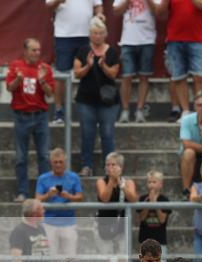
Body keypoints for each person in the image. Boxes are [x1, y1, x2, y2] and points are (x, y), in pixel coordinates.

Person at [6, 38, 56, 202]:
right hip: (21, 116)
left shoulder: (45, 68)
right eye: (33, 50)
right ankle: (23, 192)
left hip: (40, 116)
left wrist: (42, 80)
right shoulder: (16, 66)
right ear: (25, 51)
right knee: (21, 157)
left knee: (43, 155)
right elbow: (9, 88)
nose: (37, 53)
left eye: (38, 50)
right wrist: (19, 79)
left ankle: (43, 193)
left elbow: (50, 93)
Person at [73, 17, 121, 176]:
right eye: (95, 33)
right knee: (87, 134)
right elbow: (77, 73)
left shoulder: (112, 51)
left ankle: (111, 168)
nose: (98, 36)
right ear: (90, 35)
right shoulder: (83, 50)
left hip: (108, 102)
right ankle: (87, 166)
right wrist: (89, 65)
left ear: (105, 34)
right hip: (86, 100)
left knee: (107, 134)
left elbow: (114, 74)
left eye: (101, 33)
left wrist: (102, 66)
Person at [45, 0, 105, 124]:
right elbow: (48, 6)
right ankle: (59, 111)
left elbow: (98, 5)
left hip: (87, 34)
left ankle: (92, 110)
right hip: (64, 34)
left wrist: (99, 15)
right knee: (61, 74)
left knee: (91, 72)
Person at [160, 0, 202, 118]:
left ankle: (201, 110)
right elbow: (160, 13)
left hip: (196, 39)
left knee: (199, 76)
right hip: (174, 39)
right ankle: (186, 111)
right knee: (178, 77)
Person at [113, 0, 160, 123]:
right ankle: (125, 111)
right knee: (127, 76)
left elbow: (158, 12)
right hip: (128, 40)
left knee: (144, 77)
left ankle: (139, 110)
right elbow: (116, 12)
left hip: (147, 40)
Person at [95, 151, 137, 262]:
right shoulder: (101, 181)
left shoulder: (128, 182)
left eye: (113, 165)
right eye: (107, 165)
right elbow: (104, 198)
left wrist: (121, 184)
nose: (110, 168)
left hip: (122, 227)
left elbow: (133, 198)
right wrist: (111, 182)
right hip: (104, 226)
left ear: (121, 167)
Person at [37, 148, 84, 261]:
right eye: (55, 162)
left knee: (70, 258)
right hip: (48, 223)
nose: (58, 165)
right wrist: (48, 194)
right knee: (49, 257)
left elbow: (80, 196)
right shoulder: (43, 178)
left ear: (65, 162)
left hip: (68, 222)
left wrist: (68, 197)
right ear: (51, 162)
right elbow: (37, 198)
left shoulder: (74, 177)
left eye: (60, 162)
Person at [137, 170, 171, 254]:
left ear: (160, 184)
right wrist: (148, 204)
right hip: (144, 240)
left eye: (154, 182)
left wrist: (155, 203)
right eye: (149, 182)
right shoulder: (142, 198)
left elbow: (162, 219)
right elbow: (142, 217)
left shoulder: (164, 200)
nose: (151, 184)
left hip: (160, 240)